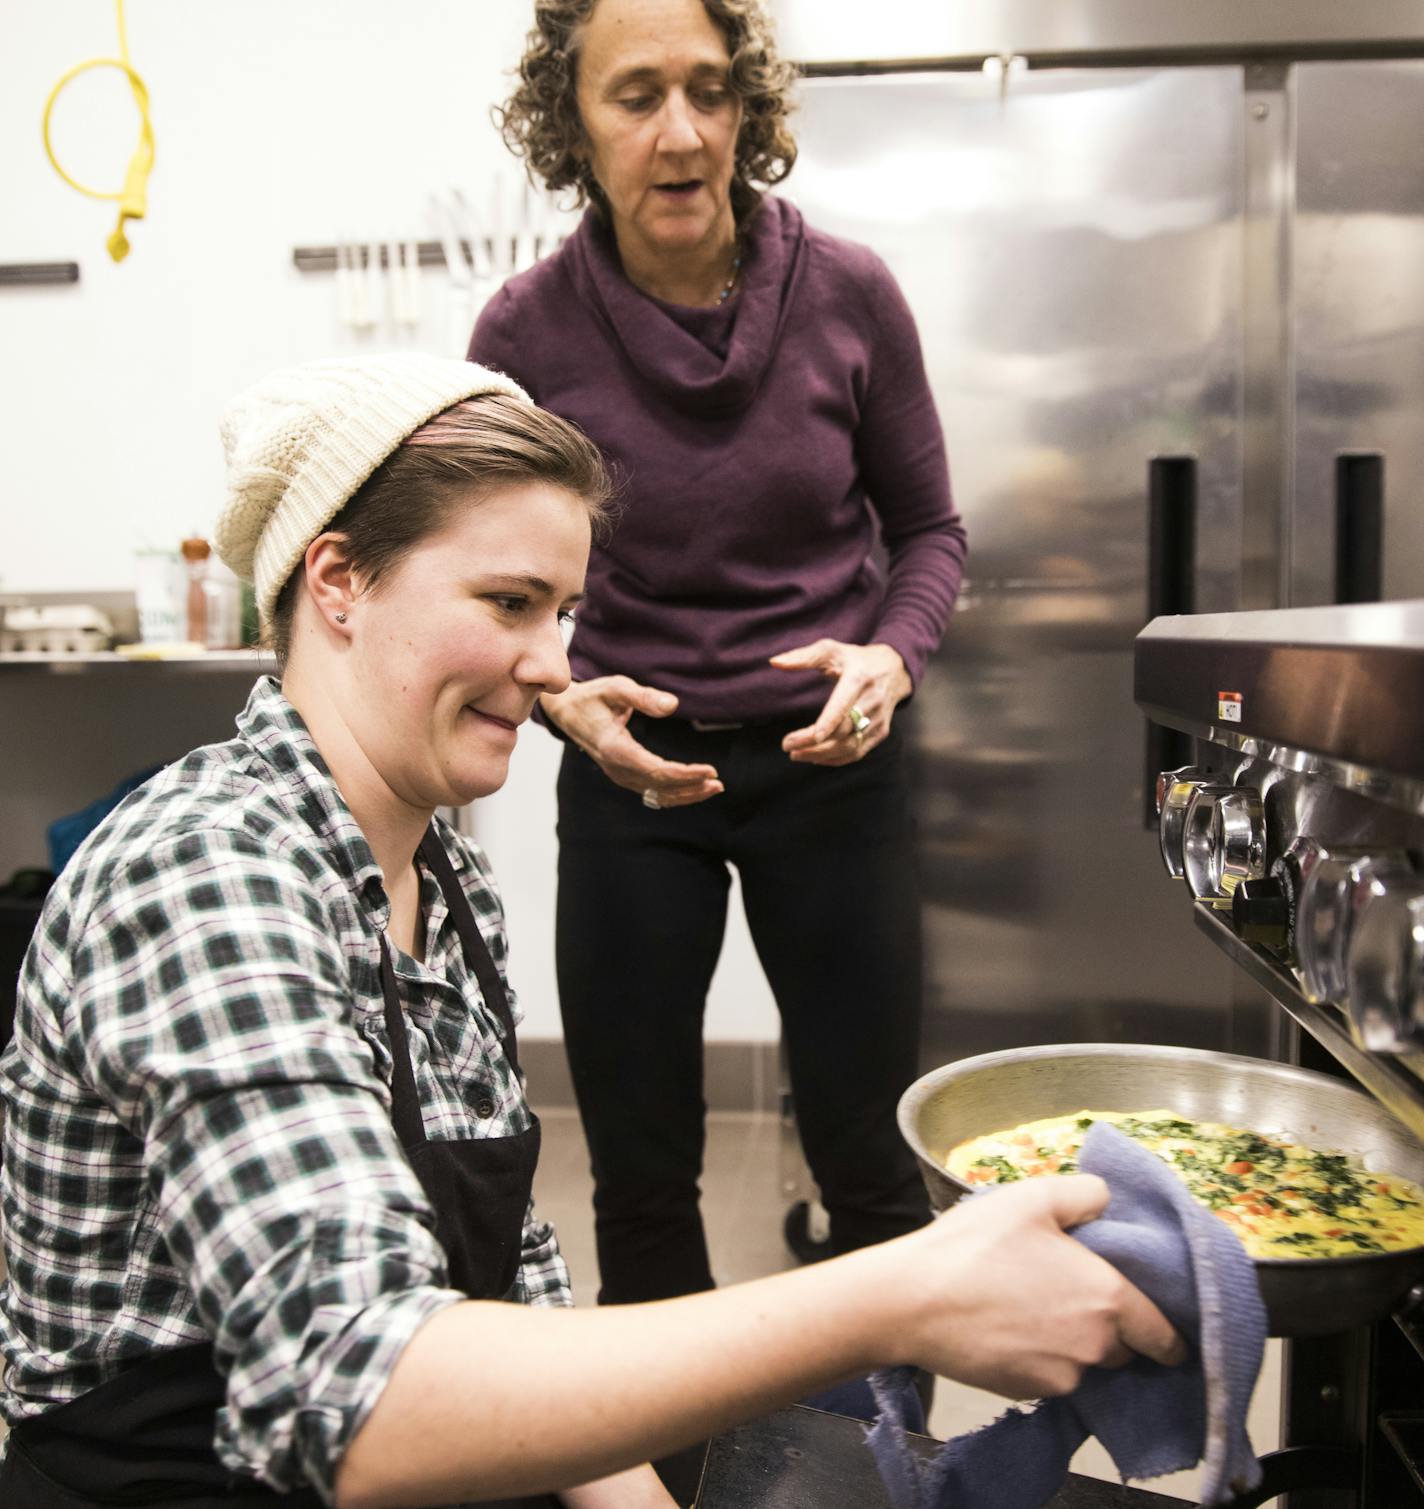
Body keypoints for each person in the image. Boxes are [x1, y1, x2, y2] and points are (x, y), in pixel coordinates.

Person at [0, 354, 1183, 1508]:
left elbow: (508, 1288)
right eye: (508, 603)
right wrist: (896, 1300)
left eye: (565, 610)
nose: (556, 664)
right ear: (339, 582)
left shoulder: (439, 873)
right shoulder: (205, 874)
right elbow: (354, 1393)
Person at [471, 0, 967, 1317]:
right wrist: (562, 699)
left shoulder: (850, 294)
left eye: (710, 89)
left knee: (870, 1160)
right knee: (638, 1173)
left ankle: (884, 1461)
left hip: (836, 768)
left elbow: (928, 531)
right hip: (636, 786)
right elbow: (492, 593)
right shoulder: (522, 338)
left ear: (748, 104)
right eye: (636, 96)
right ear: (571, 121)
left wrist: (892, 658)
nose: (682, 133)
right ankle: (671, 1465)